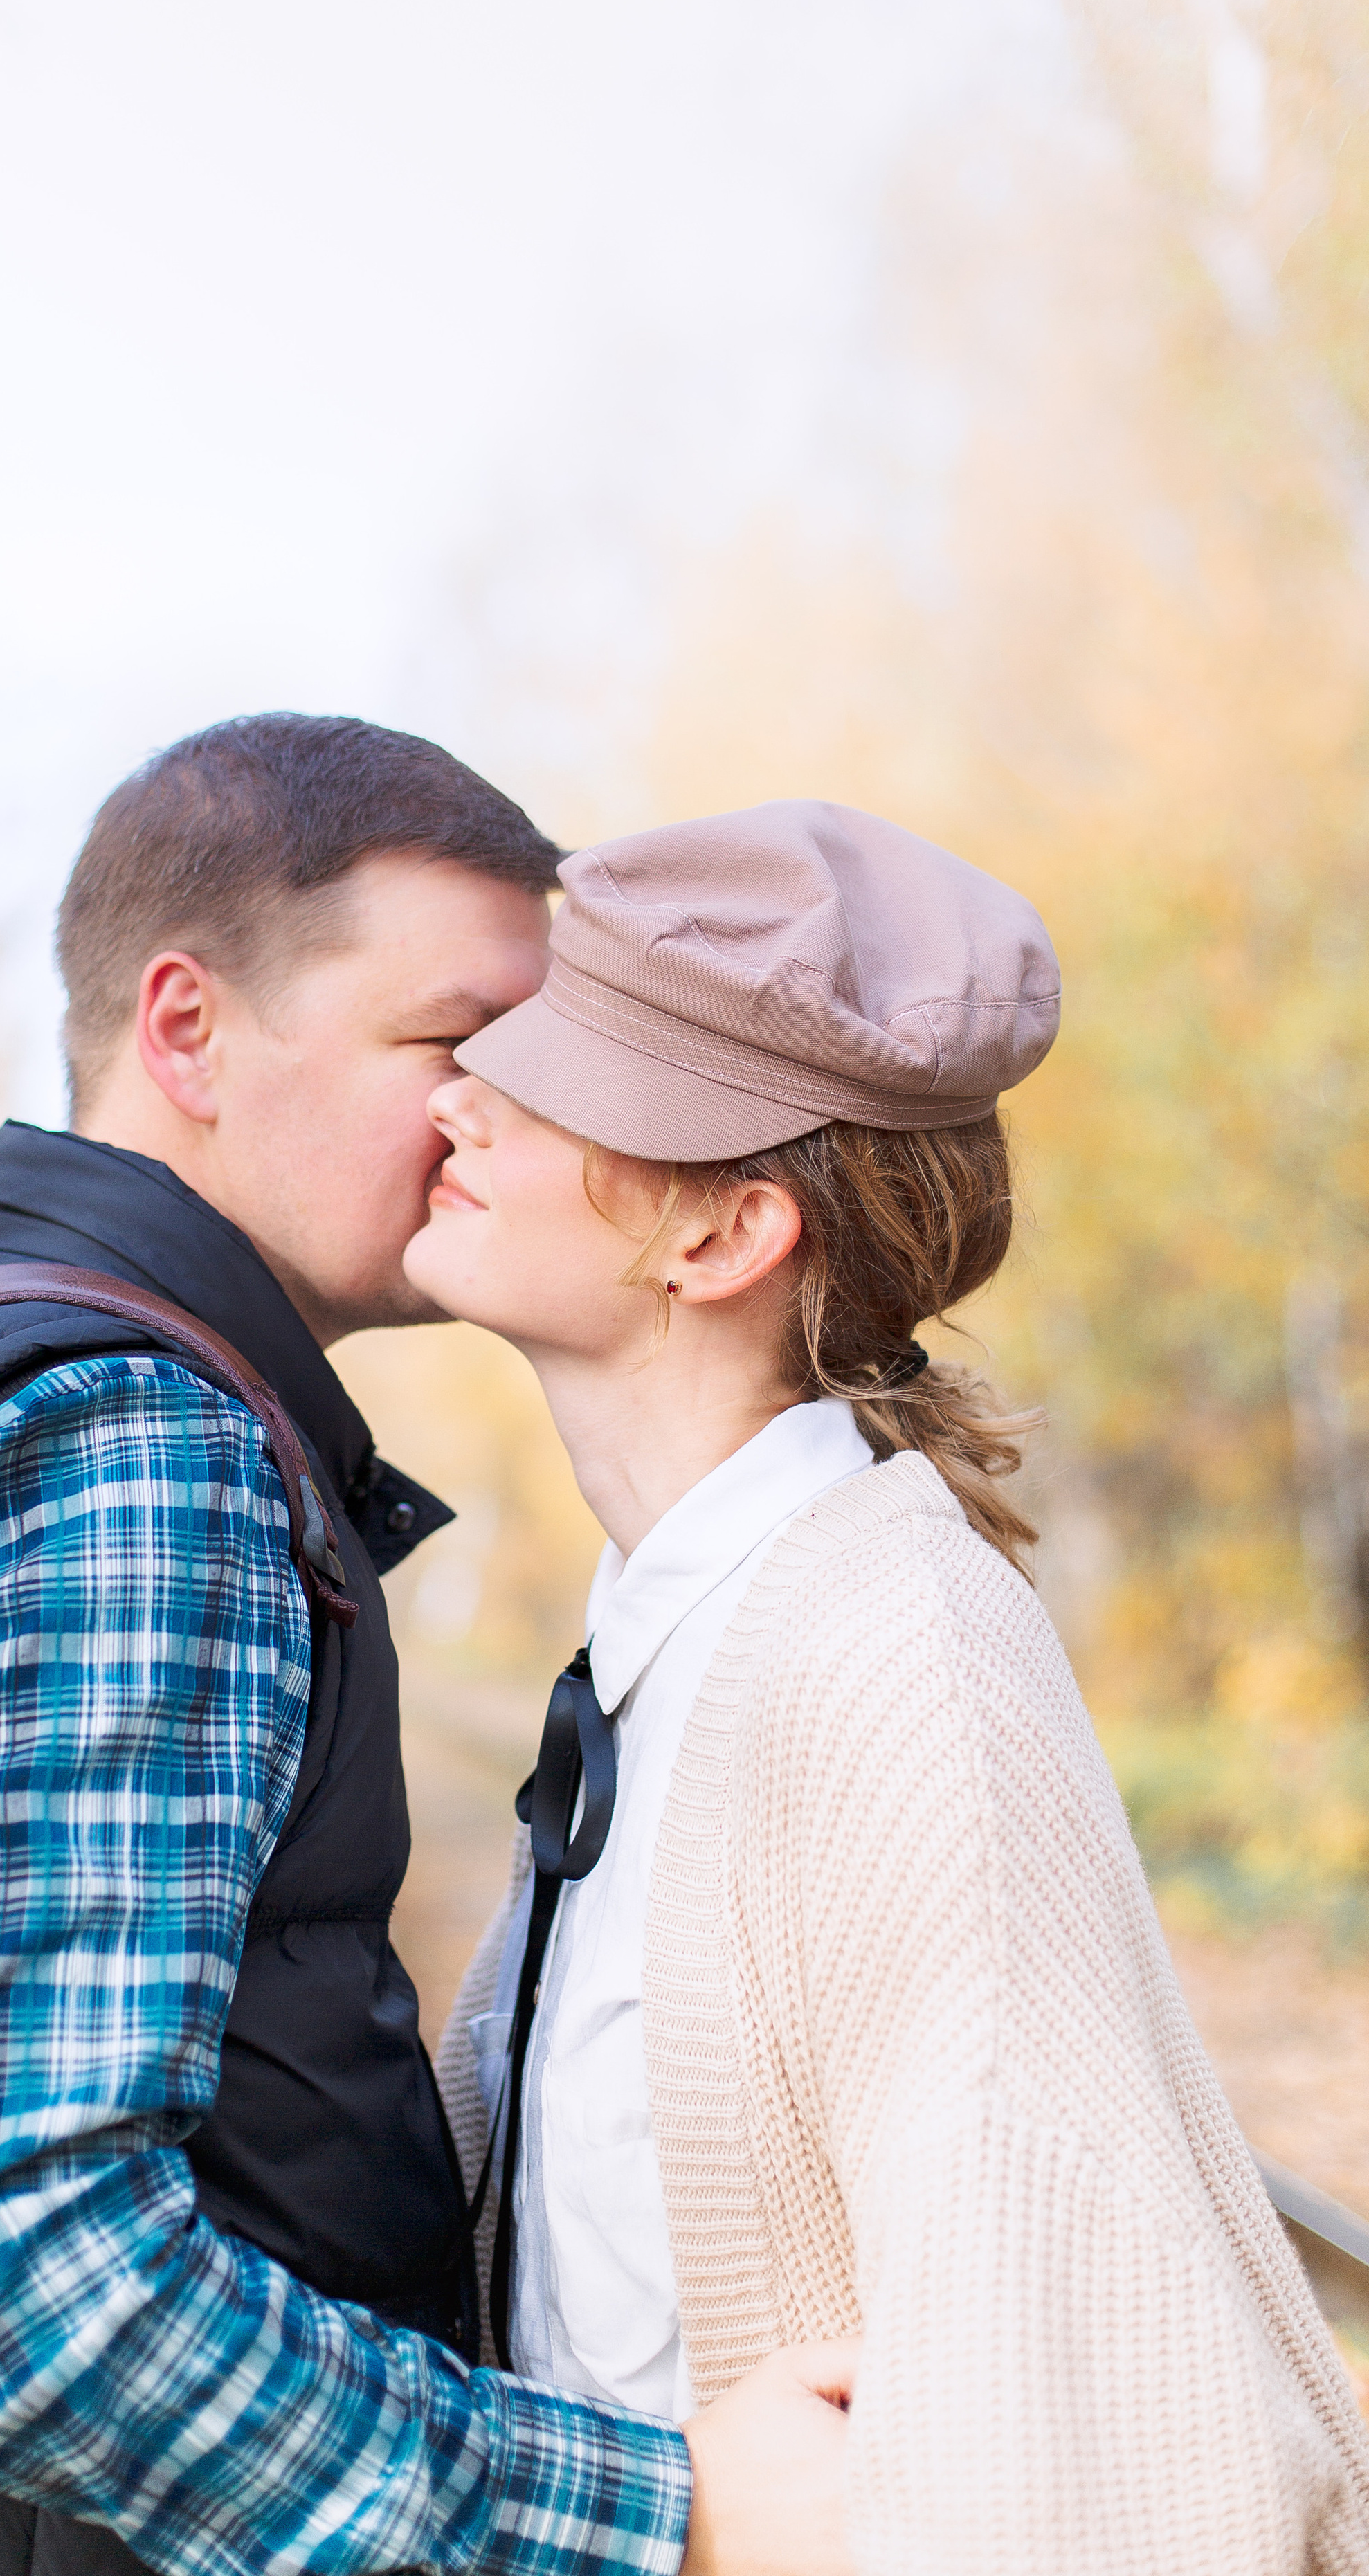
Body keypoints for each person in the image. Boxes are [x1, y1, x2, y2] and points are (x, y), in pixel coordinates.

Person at [0, 716, 853, 2576]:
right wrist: (667, 2519)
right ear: (187, 1030)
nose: (501, 1118)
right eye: (453, 1043)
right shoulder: (124, 1450)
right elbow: (11, 2294)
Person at [413, 797, 1369, 2576]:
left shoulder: (890, 1670)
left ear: (719, 1241)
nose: (456, 1096)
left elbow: (1086, 2436)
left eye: (547, 1086)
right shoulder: (684, 1628)